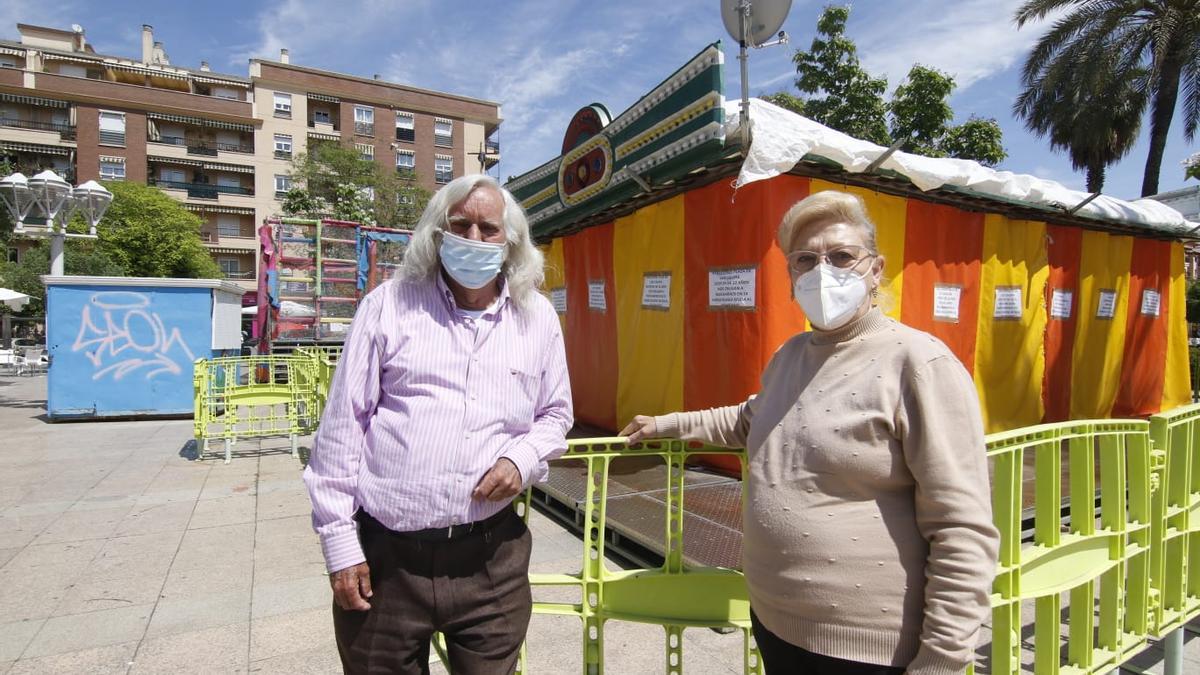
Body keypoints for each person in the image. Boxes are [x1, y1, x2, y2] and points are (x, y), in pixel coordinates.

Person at [621, 190, 999, 674]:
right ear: (791, 277)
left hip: (864, 649)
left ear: (876, 269)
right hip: (775, 622)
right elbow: (750, 419)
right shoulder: (791, 356)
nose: (823, 271)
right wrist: (669, 425)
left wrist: (942, 660)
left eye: (842, 256)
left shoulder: (919, 363)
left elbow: (961, 528)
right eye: (805, 259)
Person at [304, 174, 573, 674]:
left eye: (488, 228)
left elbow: (556, 414)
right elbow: (342, 430)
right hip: (387, 560)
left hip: (491, 558)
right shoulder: (389, 306)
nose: (473, 239)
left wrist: (523, 456)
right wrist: (340, 547)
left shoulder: (537, 318)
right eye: (460, 224)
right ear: (437, 232)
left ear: (509, 241)